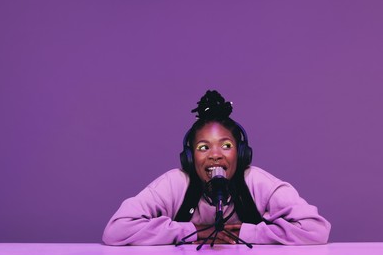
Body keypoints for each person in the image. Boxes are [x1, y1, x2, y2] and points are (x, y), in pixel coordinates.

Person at [102, 90, 331, 246]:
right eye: (203, 147)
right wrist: (192, 232)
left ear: (241, 154)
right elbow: (116, 230)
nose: (215, 155)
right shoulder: (175, 183)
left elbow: (316, 229)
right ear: (190, 158)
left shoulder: (257, 182)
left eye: (226, 145)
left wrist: (246, 233)